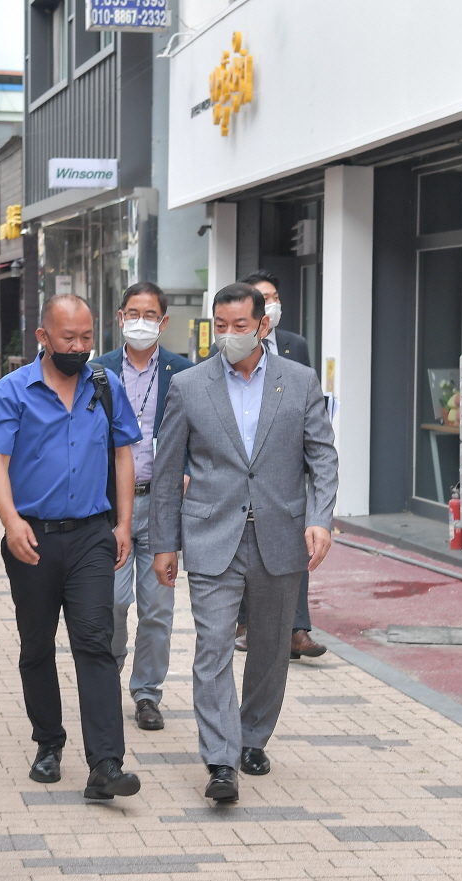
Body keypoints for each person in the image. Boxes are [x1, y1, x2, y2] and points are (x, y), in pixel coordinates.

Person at [151, 282, 339, 803]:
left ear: (262, 325)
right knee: (212, 646)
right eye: (221, 326)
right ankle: (220, 760)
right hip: (212, 534)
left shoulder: (298, 381)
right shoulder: (189, 385)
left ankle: (253, 737)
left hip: (280, 534)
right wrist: (164, 543)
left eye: (239, 325)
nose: (229, 334)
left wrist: (320, 518)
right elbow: (167, 472)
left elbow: (322, 457)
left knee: (271, 647)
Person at [0, 294, 144, 801]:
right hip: (33, 538)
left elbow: (124, 454)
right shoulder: (12, 391)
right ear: (43, 337)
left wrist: (123, 524)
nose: (79, 347)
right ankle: (48, 742)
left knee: (95, 641)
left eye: (87, 337)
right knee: (37, 645)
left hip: (91, 535)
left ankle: (106, 763)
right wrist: (10, 522)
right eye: (68, 338)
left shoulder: (104, 387)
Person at [93, 282, 194, 732]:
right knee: (112, 601)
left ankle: (148, 692)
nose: (140, 322)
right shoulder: (97, 372)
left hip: (161, 504)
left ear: (163, 321)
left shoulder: (184, 373)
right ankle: (108, 673)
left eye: (150, 314)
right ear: (120, 317)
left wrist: (188, 470)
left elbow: (200, 433)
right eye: (133, 313)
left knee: (157, 608)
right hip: (110, 505)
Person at [233, 270, 326, 659]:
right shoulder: (229, 347)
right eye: (263, 297)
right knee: (246, 548)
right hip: (245, 469)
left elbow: (309, 400)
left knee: (294, 547)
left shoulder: (294, 346)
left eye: (274, 296)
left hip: (286, 468)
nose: (270, 303)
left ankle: (296, 629)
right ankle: (246, 622)